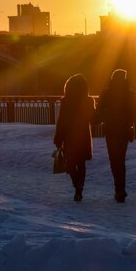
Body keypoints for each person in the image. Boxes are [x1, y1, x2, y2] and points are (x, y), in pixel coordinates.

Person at [97, 69, 136, 202]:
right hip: (124, 131)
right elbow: (135, 114)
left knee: (114, 161)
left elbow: (99, 111)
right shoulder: (130, 94)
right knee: (121, 160)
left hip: (110, 131)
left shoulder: (107, 93)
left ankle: (118, 190)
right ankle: (121, 189)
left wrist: (95, 120)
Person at [54, 74, 95, 202]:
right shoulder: (88, 100)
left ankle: (77, 184)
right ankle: (79, 187)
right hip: (83, 135)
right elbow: (93, 118)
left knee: (70, 162)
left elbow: (62, 121)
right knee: (81, 162)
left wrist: (58, 138)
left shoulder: (66, 101)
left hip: (69, 135)